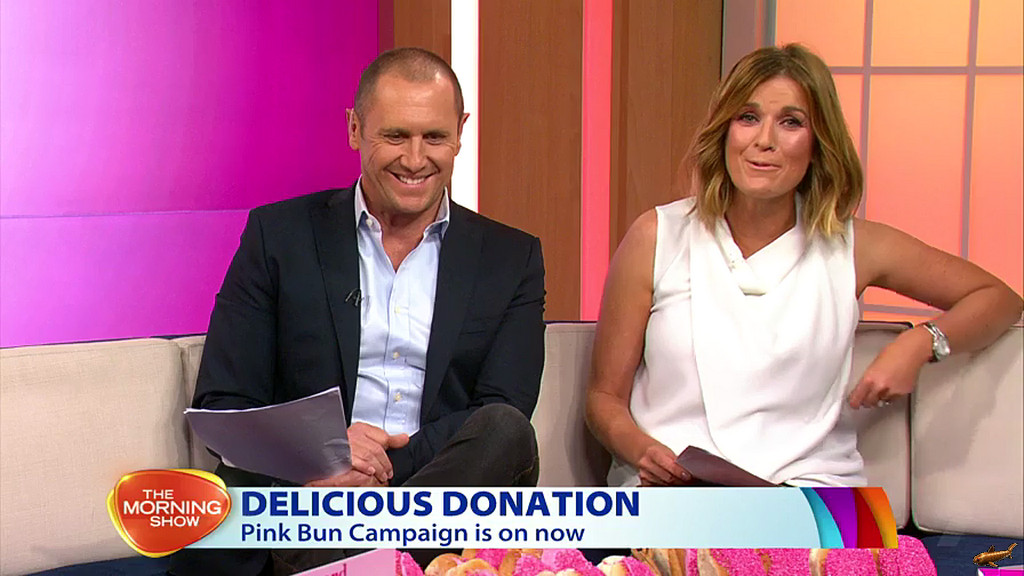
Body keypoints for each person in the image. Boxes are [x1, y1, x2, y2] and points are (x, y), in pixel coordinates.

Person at [171, 47, 545, 576]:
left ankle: (341, 562)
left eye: (434, 137)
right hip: (307, 493)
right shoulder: (278, 237)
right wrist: (324, 454)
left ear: (461, 133)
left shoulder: (511, 258)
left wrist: (378, 471)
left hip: (438, 494)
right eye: (395, 136)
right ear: (354, 129)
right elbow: (225, 401)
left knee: (506, 433)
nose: (414, 159)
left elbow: (503, 408)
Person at [585, 44, 1023, 489]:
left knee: (862, 536)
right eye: (748, 117)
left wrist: (919, 344)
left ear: (817, 144)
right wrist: (642, 451)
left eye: (791, 122)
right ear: (725, 131)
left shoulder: (855, 245)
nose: (764, 140)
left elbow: (999, 298)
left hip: (812, 488)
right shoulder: (658, 235)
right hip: (674, 487)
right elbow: (603, 397)